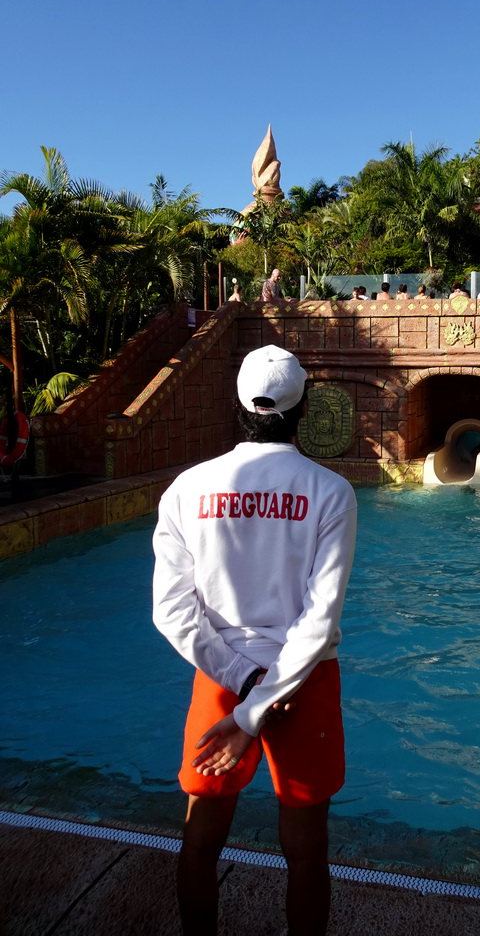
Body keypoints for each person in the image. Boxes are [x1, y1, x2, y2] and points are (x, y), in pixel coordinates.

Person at [153, 345, 357, 936]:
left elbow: (172, 611)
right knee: (307, 852)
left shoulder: (188, 489)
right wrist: (261, 704)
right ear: (303, 408)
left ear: (238, 403)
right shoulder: (330, 492)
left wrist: (242, 688)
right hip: (305, 681)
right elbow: (320, 617)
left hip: (220, 675)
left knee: (200, 842)